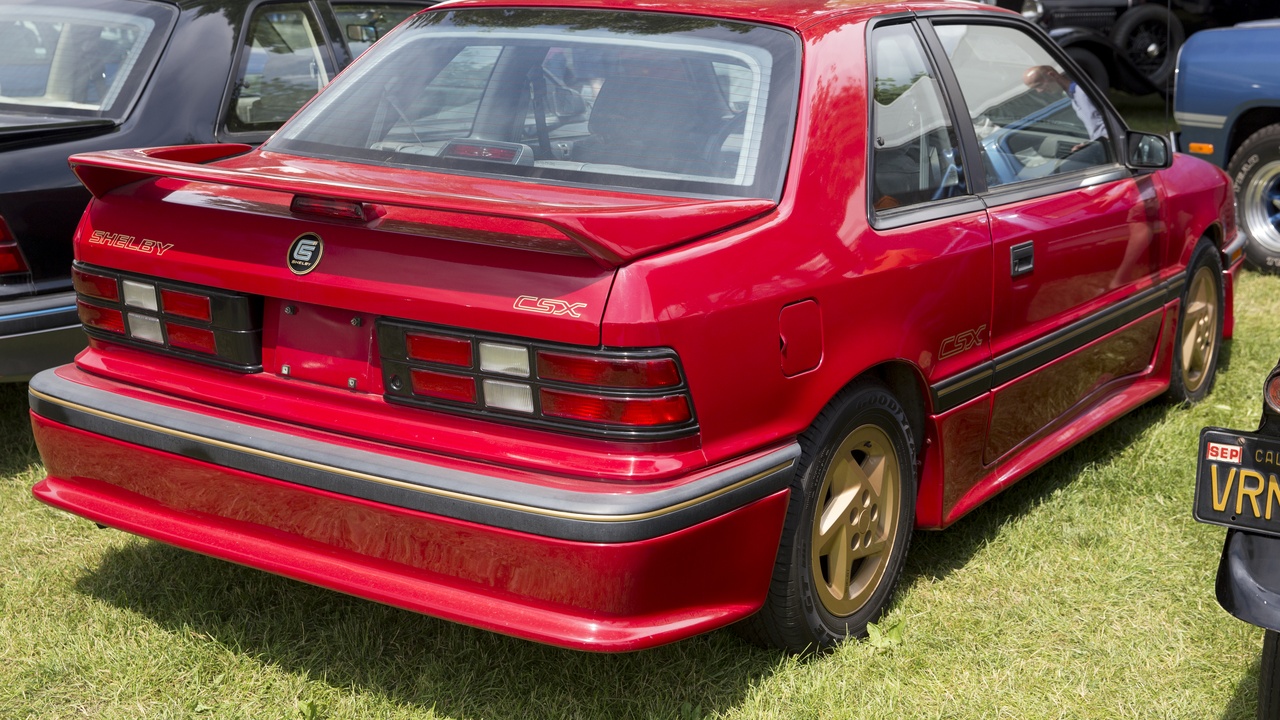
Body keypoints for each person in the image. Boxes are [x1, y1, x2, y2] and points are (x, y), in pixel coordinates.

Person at [1022, 65, 1108, 142]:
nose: (1039, 91)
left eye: (1039, 85)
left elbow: (1112, 116)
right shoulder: (1073, 96)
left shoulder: (1083, 91)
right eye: (1035, 88)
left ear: (1052, 75)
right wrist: (1090, 143)